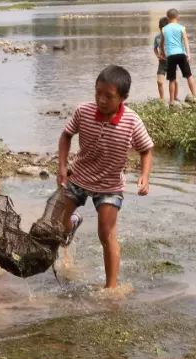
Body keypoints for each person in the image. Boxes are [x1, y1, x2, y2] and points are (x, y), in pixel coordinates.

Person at [57, 65, 153, 289]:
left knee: (106, 234)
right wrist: (62, 166)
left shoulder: (132, 122)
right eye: (97, 93)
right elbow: (66, 135)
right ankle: (72, 222)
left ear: (123, 98)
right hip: (79, 177)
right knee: (59, 225)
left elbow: (146, 149)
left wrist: (145, 176)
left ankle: (111, 288)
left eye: (108, 96)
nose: (101, 99)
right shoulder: (84, 111)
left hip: (110, 185)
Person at [160, 8, 196, 105]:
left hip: (171, 56)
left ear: (167, 18)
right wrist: (188, 54)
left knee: (172, 79)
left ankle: (172, 101)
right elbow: (186, 41)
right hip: (181, 54)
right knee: (189, 75)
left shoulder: (164, 29)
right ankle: (195, 96)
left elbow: (161, 44)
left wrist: (163, 53)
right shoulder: (182, 28)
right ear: (178, 17)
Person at [153, 16, 177, 101]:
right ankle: (162, 99)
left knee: (173, 81)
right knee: (159, 82)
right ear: (159, 28)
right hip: (162, 63)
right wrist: (157, 55)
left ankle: (174, 99)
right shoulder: (157, 37)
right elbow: (155, 48)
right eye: (161, 29)